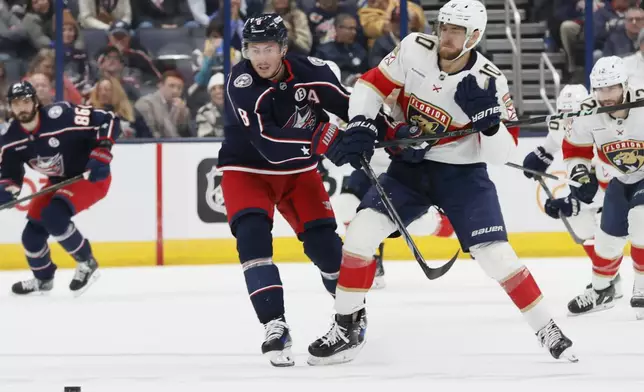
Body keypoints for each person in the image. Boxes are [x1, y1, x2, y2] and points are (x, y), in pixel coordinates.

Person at [306, 0, 577, 365]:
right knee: (360, 233)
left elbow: (500, 153)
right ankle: (346, 327)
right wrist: (360, 122)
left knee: (495, 255)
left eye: (457, 31)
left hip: (462, 175)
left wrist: (489, 123)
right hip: (409, 170)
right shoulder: (415, 48)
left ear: (475, 36)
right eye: (444, 27)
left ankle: (547, 327)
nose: (447, 36)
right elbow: (370, 86)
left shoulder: (489, 81)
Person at [221, 13, 351, 367]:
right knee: (252, 241)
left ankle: (350, 321)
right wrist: (324, 138)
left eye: (268, 48)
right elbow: (268, 143)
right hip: (246, 170)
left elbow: (352, 108)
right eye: (253, 49)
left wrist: (382, 131)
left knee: (328, 251)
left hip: (299, 172)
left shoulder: (313, 71)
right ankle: (274, 326)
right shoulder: (241, 78)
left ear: (283, 48)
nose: (260, 57)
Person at [0, 81, 120, 296]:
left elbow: (108, 119)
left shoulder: (61, 116)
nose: (22, 107)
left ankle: (86, 261)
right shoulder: (10, 139)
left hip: (90, 176)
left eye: (26, 101)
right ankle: (43, 279)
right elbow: (10, 177)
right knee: (31, 236)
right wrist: (6, 191)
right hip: (58, 181)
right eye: (16, 103)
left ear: (36, 102)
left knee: (54, 217)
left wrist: (102, 152)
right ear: (10, 107)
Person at [559, 56, 644, 319]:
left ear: (624, 85)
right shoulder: (586, 111)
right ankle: (601, 291)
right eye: (600, 89)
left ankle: (642, 286)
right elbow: (575, 149)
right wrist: (580, 173)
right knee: (606, 241)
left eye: (611, 88)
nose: (605, 96)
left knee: (641, 219)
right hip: (621, 178)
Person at [523, 84, 625, 299]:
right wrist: (539, 158)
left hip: (615, 191)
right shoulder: (560, 124)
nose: (569, 119)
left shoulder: (599, 130)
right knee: (580, 226)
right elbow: (551, 145)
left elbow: (609, 183)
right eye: (565, 113)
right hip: (589, 190)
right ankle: (609, 280)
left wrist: (574, 203)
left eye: (574, 113)